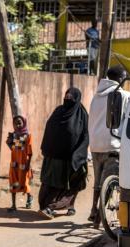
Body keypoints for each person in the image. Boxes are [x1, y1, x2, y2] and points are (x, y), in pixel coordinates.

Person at [38, 87, 90, 219]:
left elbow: (86, 135)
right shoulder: (58, 111)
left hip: (73, 157)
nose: (67, 101)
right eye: (66, 98)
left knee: (75, 183)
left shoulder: (82, 115)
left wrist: (79, 154)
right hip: (54, 157)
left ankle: (67, 206)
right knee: (52, 183)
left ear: (77, 99)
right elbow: (49, 129)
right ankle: (47, 206)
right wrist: (47, 149)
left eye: (71, 99)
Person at [88, 66, 129, 226]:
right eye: (124, 78)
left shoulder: (96, 97)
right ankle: (99, 217)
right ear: (119, 79)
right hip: (113, 144)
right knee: (110, 183)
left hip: (95, 145)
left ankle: (93, 211)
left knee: (98, 183)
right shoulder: (124, 95)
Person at [6, 115, 33, 212]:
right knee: (13, 183)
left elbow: (30, 153)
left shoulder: (27, 136)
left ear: (24, 123)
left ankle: (30, 197)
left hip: (23, 164)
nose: (17, 125)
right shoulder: (13, 135)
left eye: (19, 122)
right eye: (15, 123)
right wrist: (9, 142)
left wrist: (28, 165)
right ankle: (13, 205)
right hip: (14, 164)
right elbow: (14, 148)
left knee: (24, 183)